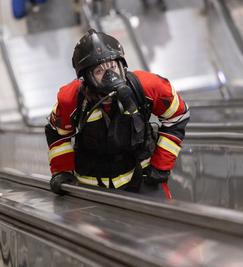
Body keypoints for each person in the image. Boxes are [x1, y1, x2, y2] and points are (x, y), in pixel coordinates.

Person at [45, 29, 190, 199]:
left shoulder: (148, 87)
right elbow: (56, 132)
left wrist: (160, 166)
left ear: (122, 65)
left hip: (142, 180)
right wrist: (62, 171)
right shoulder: (71, 99)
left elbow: (178, 115)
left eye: (112, 66)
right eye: (99, 71)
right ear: (86, 78)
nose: (110, 75)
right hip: (92, 191)